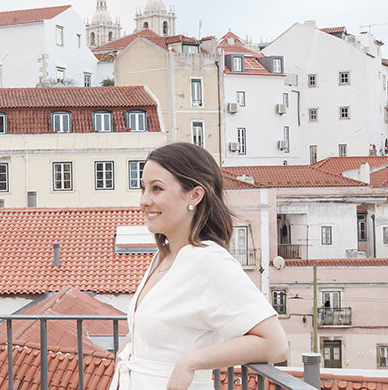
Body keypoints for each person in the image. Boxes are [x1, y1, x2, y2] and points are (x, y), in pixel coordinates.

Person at [112, 142, 290, 390]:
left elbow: (276, 344)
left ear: (195, 195)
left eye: (157, 189)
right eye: (143, 188)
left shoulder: (209, 261)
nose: (144, 200)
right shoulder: (165, 257)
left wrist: (191, 361)